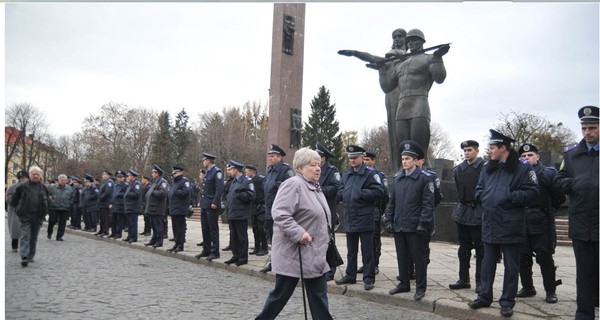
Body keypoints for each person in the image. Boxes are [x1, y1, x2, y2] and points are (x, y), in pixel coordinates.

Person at [255, 148, 333, 320]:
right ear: (300, 168)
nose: (318, 168)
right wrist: (299, 233)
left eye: (319, 165)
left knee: (319, 298)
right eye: (313, 165)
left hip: (315, 254)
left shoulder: (314, 187)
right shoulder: (293, 184)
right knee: (279, 296)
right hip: (294, 253)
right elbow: (280, 213)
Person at [468, 129, 539, 318]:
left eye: (492, 147)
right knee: (487, 263)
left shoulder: (523, 168)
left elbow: (532, 192)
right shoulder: (488, 167)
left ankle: (507, 301)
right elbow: (479, 188)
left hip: (511, 224)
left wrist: (509, 197)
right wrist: (482, 197)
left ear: (503, 148)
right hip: (490, 222)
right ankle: (484, 296)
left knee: (511, 266)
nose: (490, 151)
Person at [339, 28, 407, 172]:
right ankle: (398, 167)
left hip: (406, 94)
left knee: (405, 130)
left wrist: (397, 55)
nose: (397, 39)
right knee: (393, 132)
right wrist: (354, 53)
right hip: (391, 94)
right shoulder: (390, 56)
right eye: (394, 36)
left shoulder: (408, 56)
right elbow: (372, 57)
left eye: (400, 36)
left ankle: (411, 163)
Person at [555, 106, 599, 320]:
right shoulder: (571, 154)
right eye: (584, 128)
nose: (588, 132)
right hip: (581, 220)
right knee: (584, 272)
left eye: (592, 128)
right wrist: (572, 184)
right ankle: (584, 314)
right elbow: (560, 178)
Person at [378, 28, 449, 163]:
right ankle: (404, 175)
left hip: (419, 105)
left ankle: (424, 172)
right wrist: (381, 70)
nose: (411, 43)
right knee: (404, 148)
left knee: (419, 147)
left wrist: (438, 58)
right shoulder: (401, 64)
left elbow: (440, 78)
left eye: (414, 40)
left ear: (422, 41)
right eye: (409, 40)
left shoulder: (428, 58)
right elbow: (387, 87)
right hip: (402, 109)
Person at [383, 141, 433, 300]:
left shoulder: (424, 179)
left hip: (415, 226)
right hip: (400, 226)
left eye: (408, 159)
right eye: (403, 158)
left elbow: (428, 204)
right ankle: (404, 283)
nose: (404, 161)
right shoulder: (398, 179)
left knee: (419, 259)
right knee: (402, 257)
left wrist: (422, 223)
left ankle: (420, 287)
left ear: (415, 161)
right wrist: (389, 220)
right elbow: (392, 202)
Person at [517, 143, 565, 303]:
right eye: (523, 156)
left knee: (544, 257)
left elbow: (559, 196)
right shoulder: (517, 174)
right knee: (522, 257)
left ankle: (550, 290)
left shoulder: (548, 173)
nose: (526, 158)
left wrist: (548, 210)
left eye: (529, 155)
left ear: (537, 157)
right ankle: (527, 287)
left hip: (542, 220)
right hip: (522, 220)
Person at [335, 145, 384, 291]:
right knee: (351, 250)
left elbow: (379, 191)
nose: (352, 160)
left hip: (365, 218)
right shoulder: (346, 175)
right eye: (350, 158)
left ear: (362, 158)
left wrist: (360, 193)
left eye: (355, 158)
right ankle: (350, 275)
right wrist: (344, 194)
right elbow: (340, 190)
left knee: (367, 250)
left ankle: (368, 278)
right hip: (350, 216)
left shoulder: (370, 174)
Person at [448, 140, 485, 293]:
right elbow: (458, 188)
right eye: (465, 150)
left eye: (469, 150)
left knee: (481, 249)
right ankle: (463, 279)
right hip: (463, 211)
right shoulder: (458, 170)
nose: (467, 153)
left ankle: (480, 282)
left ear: (477, 151)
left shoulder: (485, 168)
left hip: (479, 211)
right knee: (463, 249)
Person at [260, 144, 294, 273]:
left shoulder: (286, 170)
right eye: (269, 156)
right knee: (272, 239)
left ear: (279, 157)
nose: (270, 158)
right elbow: (265, 185)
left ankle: (284, 263)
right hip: (269, 209)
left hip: (281, 210)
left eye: (273, 156)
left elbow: (289, 186)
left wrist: (275, 185)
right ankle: (274, 262)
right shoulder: (270, 170)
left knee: (283, 239)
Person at [10, 166, 49, 267]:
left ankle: (31, 255)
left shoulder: (43, 187)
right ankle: (24, 256)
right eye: (33, 174)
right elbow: (14, 200)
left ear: (40, 176)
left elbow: (47, 200)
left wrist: (45, 211)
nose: (35, 176)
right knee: (25, 235)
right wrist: (18, 210)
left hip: (38, 215)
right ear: (30, 174)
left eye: (37, 174)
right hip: (25, 215)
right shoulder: (22, 186)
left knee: (33, 236)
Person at [357, 150, 388, 276]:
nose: (365, 162)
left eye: (368, 160)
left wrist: (381, 210)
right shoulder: (360, 174)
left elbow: (385, 195)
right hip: (362, 213)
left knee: (374, 241)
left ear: (373, 161)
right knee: (364, 242)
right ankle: (366, 264)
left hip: (374, 211)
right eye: (364, 160)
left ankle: (374, 264)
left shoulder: (379, 175)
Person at [315, 141, 341, 281]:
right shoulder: (313, 169)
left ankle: (331, 269)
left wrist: (319, 191)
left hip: (327, 211)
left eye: (318, 156)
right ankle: (320, 267)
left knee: (329, 241)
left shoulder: (332, 171)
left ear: (324, 158)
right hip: (315, 212)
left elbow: (336, 187)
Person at [224, 160, 255, 266]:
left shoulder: (246, 180)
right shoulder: (234, 181)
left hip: (241, 214)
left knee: (242, 237)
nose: (229, 171)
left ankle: (243, 257)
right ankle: (235, 255)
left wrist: (240, 195)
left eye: (230, 169)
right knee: (234, 237)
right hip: (232, 212)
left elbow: (251, 195)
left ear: (235, 169)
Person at [195, 153, 224, 261]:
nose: (203, 162)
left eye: (204, 160)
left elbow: (219, 188)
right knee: (205, 228)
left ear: (208, 161)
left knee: (213, 229)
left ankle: (215, 251)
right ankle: (206, 249)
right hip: (205, 204)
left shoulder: (217, 172)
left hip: (212, 205)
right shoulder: (208, 172)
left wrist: (215, 202)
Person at [167, 165, 192, 253]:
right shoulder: (175, 182)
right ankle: (176, 243)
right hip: (174, 208)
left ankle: (180, 245)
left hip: (180, 209)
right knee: (175, 227)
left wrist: (176, 192)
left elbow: (186, 191)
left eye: (176, 172)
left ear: (181, 172)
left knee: (180, 228)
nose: (174, 174)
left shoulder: (184, 181)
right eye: (173, 173)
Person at [143, 164, 169, 248]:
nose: (152, 174)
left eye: (153, 173)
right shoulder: (155, 182)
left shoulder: (163, 182)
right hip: (152, 208)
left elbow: (162, 193)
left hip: (158, 208)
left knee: (158, 226)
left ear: (157, 173)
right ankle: (153, 239)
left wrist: (153, 192)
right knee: (153, 226)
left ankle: (159, 241)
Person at [245, 165, 268, 256]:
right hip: (253, 207)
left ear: (253, 171)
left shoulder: (261, 180)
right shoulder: (249, 181)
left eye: (247, 171)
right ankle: (257, 247)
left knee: (261, 228)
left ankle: (264, 248)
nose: (246, 173)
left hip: (261, 206)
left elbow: (265, 192)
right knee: (255, 228)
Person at [47, 174, 74, 241]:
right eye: (62, 180)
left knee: (62, 223)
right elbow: (48, 195)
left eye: (64, 180)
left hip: (65, 207)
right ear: (59, 180)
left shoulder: (69, 188)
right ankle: (49, 232)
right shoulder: (53, 187)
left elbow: (72, 197)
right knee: (52, 220)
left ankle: (59, 236)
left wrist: (69, 203)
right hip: (54, 207)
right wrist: (51, 200)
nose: (63, 181)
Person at [6, 171, 29, 252]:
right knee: (15, 229)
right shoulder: (12, 187)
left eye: (25, 178)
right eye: (21, 178)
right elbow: (9, 198)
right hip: (16, 211)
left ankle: (25, 248)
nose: (23, 179)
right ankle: (14, 246)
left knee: (27, 231)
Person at [123, 168, 143, 243]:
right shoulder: (131, 183)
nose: (128, 177)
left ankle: (133, 237)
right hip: (129, 207)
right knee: (129, 223)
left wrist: (127, 194)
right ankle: (129, 236)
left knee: (133, 223)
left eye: (129, 176)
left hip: (133, 207)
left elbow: (136, 194)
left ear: (133, 176)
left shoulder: (137, 184)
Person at [108, 170, 127, 239]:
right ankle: (113, 233)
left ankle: (118, 234)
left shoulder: (125, 185)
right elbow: (112, 195)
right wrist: (111, 202)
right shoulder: (115, 185)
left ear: (124, 178)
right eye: (118, 177)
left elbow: (125, 194)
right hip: (114, 205)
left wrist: (118, 195)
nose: (119, 178)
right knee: (113, 220)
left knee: (119, 221)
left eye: (120, 177)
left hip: (120, 204)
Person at [95, 170, 114, 236]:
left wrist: (101, 198)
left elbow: (108, 192)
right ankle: (101, 230)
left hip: (106, 202)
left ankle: (106, 231)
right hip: (102, 203)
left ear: (107, 175)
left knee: (105, 218)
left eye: (104, 175)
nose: (102, 176)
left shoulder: (109, 182)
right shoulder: (104, 182)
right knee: (102, 217)